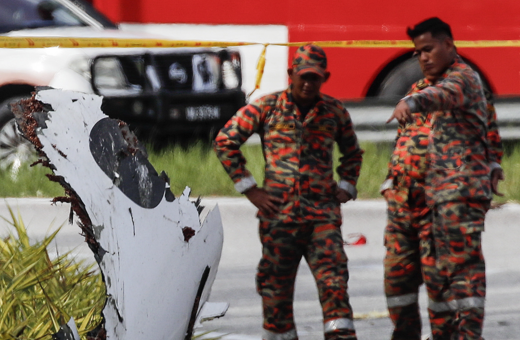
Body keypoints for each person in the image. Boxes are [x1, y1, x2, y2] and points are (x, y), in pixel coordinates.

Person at [213, 44, 363, 340]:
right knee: (275, 290)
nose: (308, 84)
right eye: (303, 77)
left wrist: (346, 185)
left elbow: (353, 153)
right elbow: (225, 141)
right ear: (290, 74)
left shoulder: (333, 111)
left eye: (315, 78)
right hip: (279, 217)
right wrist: (251, 189)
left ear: (325, 78)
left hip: (323, 218)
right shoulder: (267, 107)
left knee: (334, 285)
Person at [387, 17, 504, 340]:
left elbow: (443, 95)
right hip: (425, 198)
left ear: (449, 45)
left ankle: (466, 335)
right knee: (428, 275)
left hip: (458, 194)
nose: (423, 57)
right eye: (418, 52)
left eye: (429, 49)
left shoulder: (462, 78)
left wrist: (411, 101)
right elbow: (407, 139)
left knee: (462, 273)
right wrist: (390, 181)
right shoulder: (423, 84)